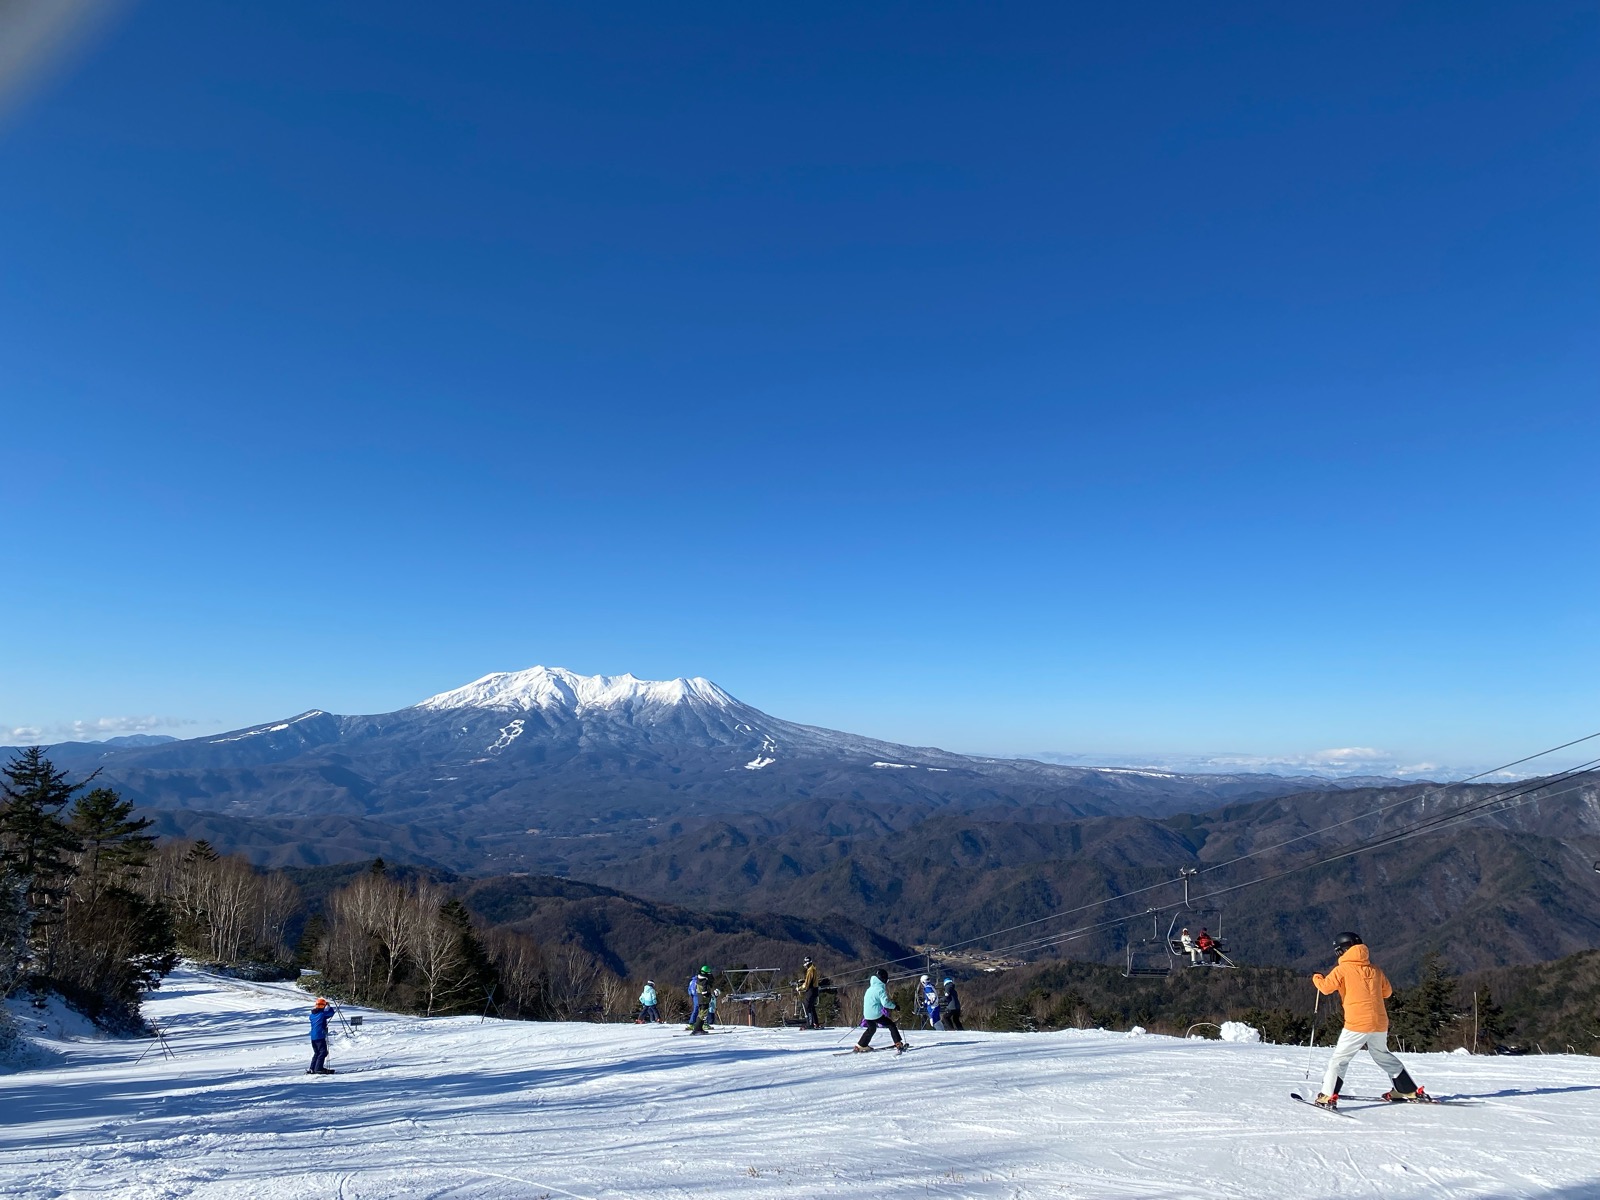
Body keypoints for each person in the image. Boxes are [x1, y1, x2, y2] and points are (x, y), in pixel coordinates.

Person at [1312, 932, 1428, 1110]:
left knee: (1340, 1059)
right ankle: (1408, 1090)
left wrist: (1317, 978)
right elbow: (1387, 993)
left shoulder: (1342, 969)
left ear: (1342, 951)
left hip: (1357, 1022)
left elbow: (1326, 988)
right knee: (1382, 1054)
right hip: (1379, 1022)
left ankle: (1328, 1095)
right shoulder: (1375, 970)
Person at [855, 968, 908, 1053]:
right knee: (891, 1025)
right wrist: (895, 1006)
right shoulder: (880, 990)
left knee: (871, 1029)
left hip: (867, 1014)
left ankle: (861, 1045)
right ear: (883, 979)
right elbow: (885, 1003)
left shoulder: (870, 988)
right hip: (875, 1014)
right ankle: (898, 1043)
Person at [307, 997, 337, 1074]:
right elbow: (331, 1013)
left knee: (317, 1053)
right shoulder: (322, 1014)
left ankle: (312, 1068)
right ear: (323, 1006)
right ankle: (318, 1068)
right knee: (323, 1052)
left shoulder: (312, 1015)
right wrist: (329, 1006)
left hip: (313, 1037)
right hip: (320, 1036)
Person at [687, 965, 713, 1034]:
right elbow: (704, 992)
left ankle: (699, 1028)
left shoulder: (698, 980)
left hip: (699, 998)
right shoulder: (704, 981)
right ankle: (697, 1029)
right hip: (704, 1000)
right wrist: (710, 995)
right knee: (703, 1014)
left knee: (701, 1013)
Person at [799, 956, 820, 1028]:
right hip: (815, 989)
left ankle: (809, 1024)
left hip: (811, 990)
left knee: (807, 1006)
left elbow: (807, 983)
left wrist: (800, 988)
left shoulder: (810, 970)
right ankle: (815, 1023)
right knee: (811, 1006)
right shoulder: (813, 969)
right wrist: (803, 981)